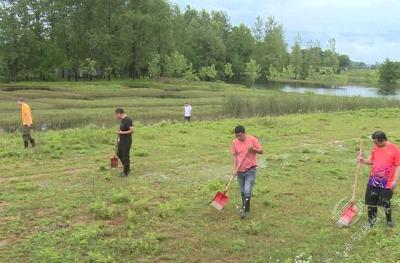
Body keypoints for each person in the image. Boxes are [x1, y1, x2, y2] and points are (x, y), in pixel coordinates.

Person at [359, 131, 400, 228]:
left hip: (386, 183)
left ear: (383, 141)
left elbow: (398, 166)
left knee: (385, 203)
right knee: (370, 202)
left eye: (376, 142)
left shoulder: (395, 150)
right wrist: (363, 161)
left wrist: (395, 180)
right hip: (373, 181)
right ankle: (371, 221)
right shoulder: (376, 148)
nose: (375, 144)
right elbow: (372, 161)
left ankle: (389, 220)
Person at [231, 125, 263, 219]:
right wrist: (234, 169)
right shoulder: (234, 142)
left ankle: (245, 209)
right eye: (236, 136)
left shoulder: (252, 139)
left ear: (244, 133)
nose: (238, 138)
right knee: (242, 191)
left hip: (250, 169)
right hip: (240, 170)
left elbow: (261, 151)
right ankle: (245, 208)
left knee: (247, 189)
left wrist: (253, 149)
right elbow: (235, 156)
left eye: (240, 135)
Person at [115, 108, 134, 177]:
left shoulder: (128, 120)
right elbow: (121, 130)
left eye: (116, 115)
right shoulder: (122, 120)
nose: (116, 116)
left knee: (125, 156)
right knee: (119, 153)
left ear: (119, 113)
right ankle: (127, 167)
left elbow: (132, 130)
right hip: (122, 140)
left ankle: (126, 172)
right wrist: (118, 140)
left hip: (127, 141)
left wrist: (121, 132)